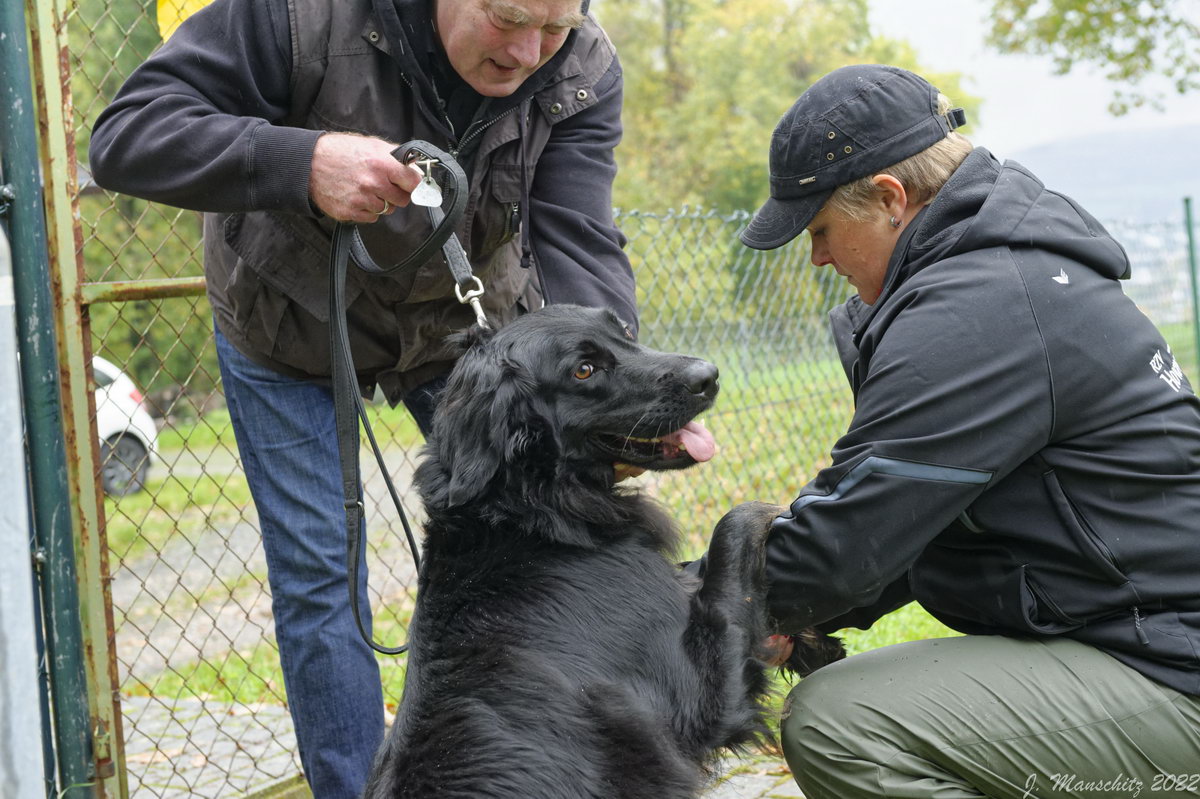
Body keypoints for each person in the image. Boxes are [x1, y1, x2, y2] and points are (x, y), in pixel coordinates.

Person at [88, 1, 636, 796]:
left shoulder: (581, 65)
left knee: (533, 540)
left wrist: (610, 398)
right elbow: (125, 137)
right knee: (322, 581)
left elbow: (576, 236)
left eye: (552, 27)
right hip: (287, 321)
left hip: (463, 325)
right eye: (507, 17)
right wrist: (299, 160)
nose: (528, 52)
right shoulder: (295, 15)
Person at [739, 64, 1200, 798]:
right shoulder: (994, 278)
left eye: (821, 229)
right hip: (1131, 634)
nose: (818, 256)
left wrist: (680, 604)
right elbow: (901, 531)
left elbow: (844, 549)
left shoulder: (981, 308)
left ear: (890, 199)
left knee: (843, 722)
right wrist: (785, 609)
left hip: (1173, 667)